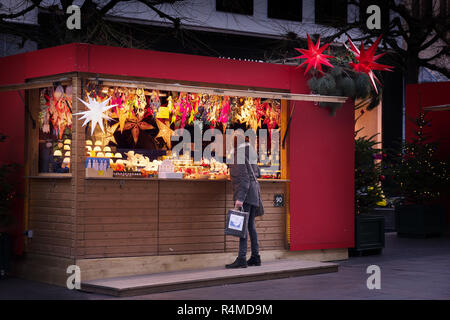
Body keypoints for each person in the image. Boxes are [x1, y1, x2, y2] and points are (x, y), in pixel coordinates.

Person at [226, 132, 264, 269]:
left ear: (234, 142)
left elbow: (245, 179)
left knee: (243, 225)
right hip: (254, 193)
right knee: (250, 226)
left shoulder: (239, 154)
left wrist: (240, 199)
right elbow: (257, 173)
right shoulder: (251, 152)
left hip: (246, 195)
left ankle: (242, 258)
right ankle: (255, 257)